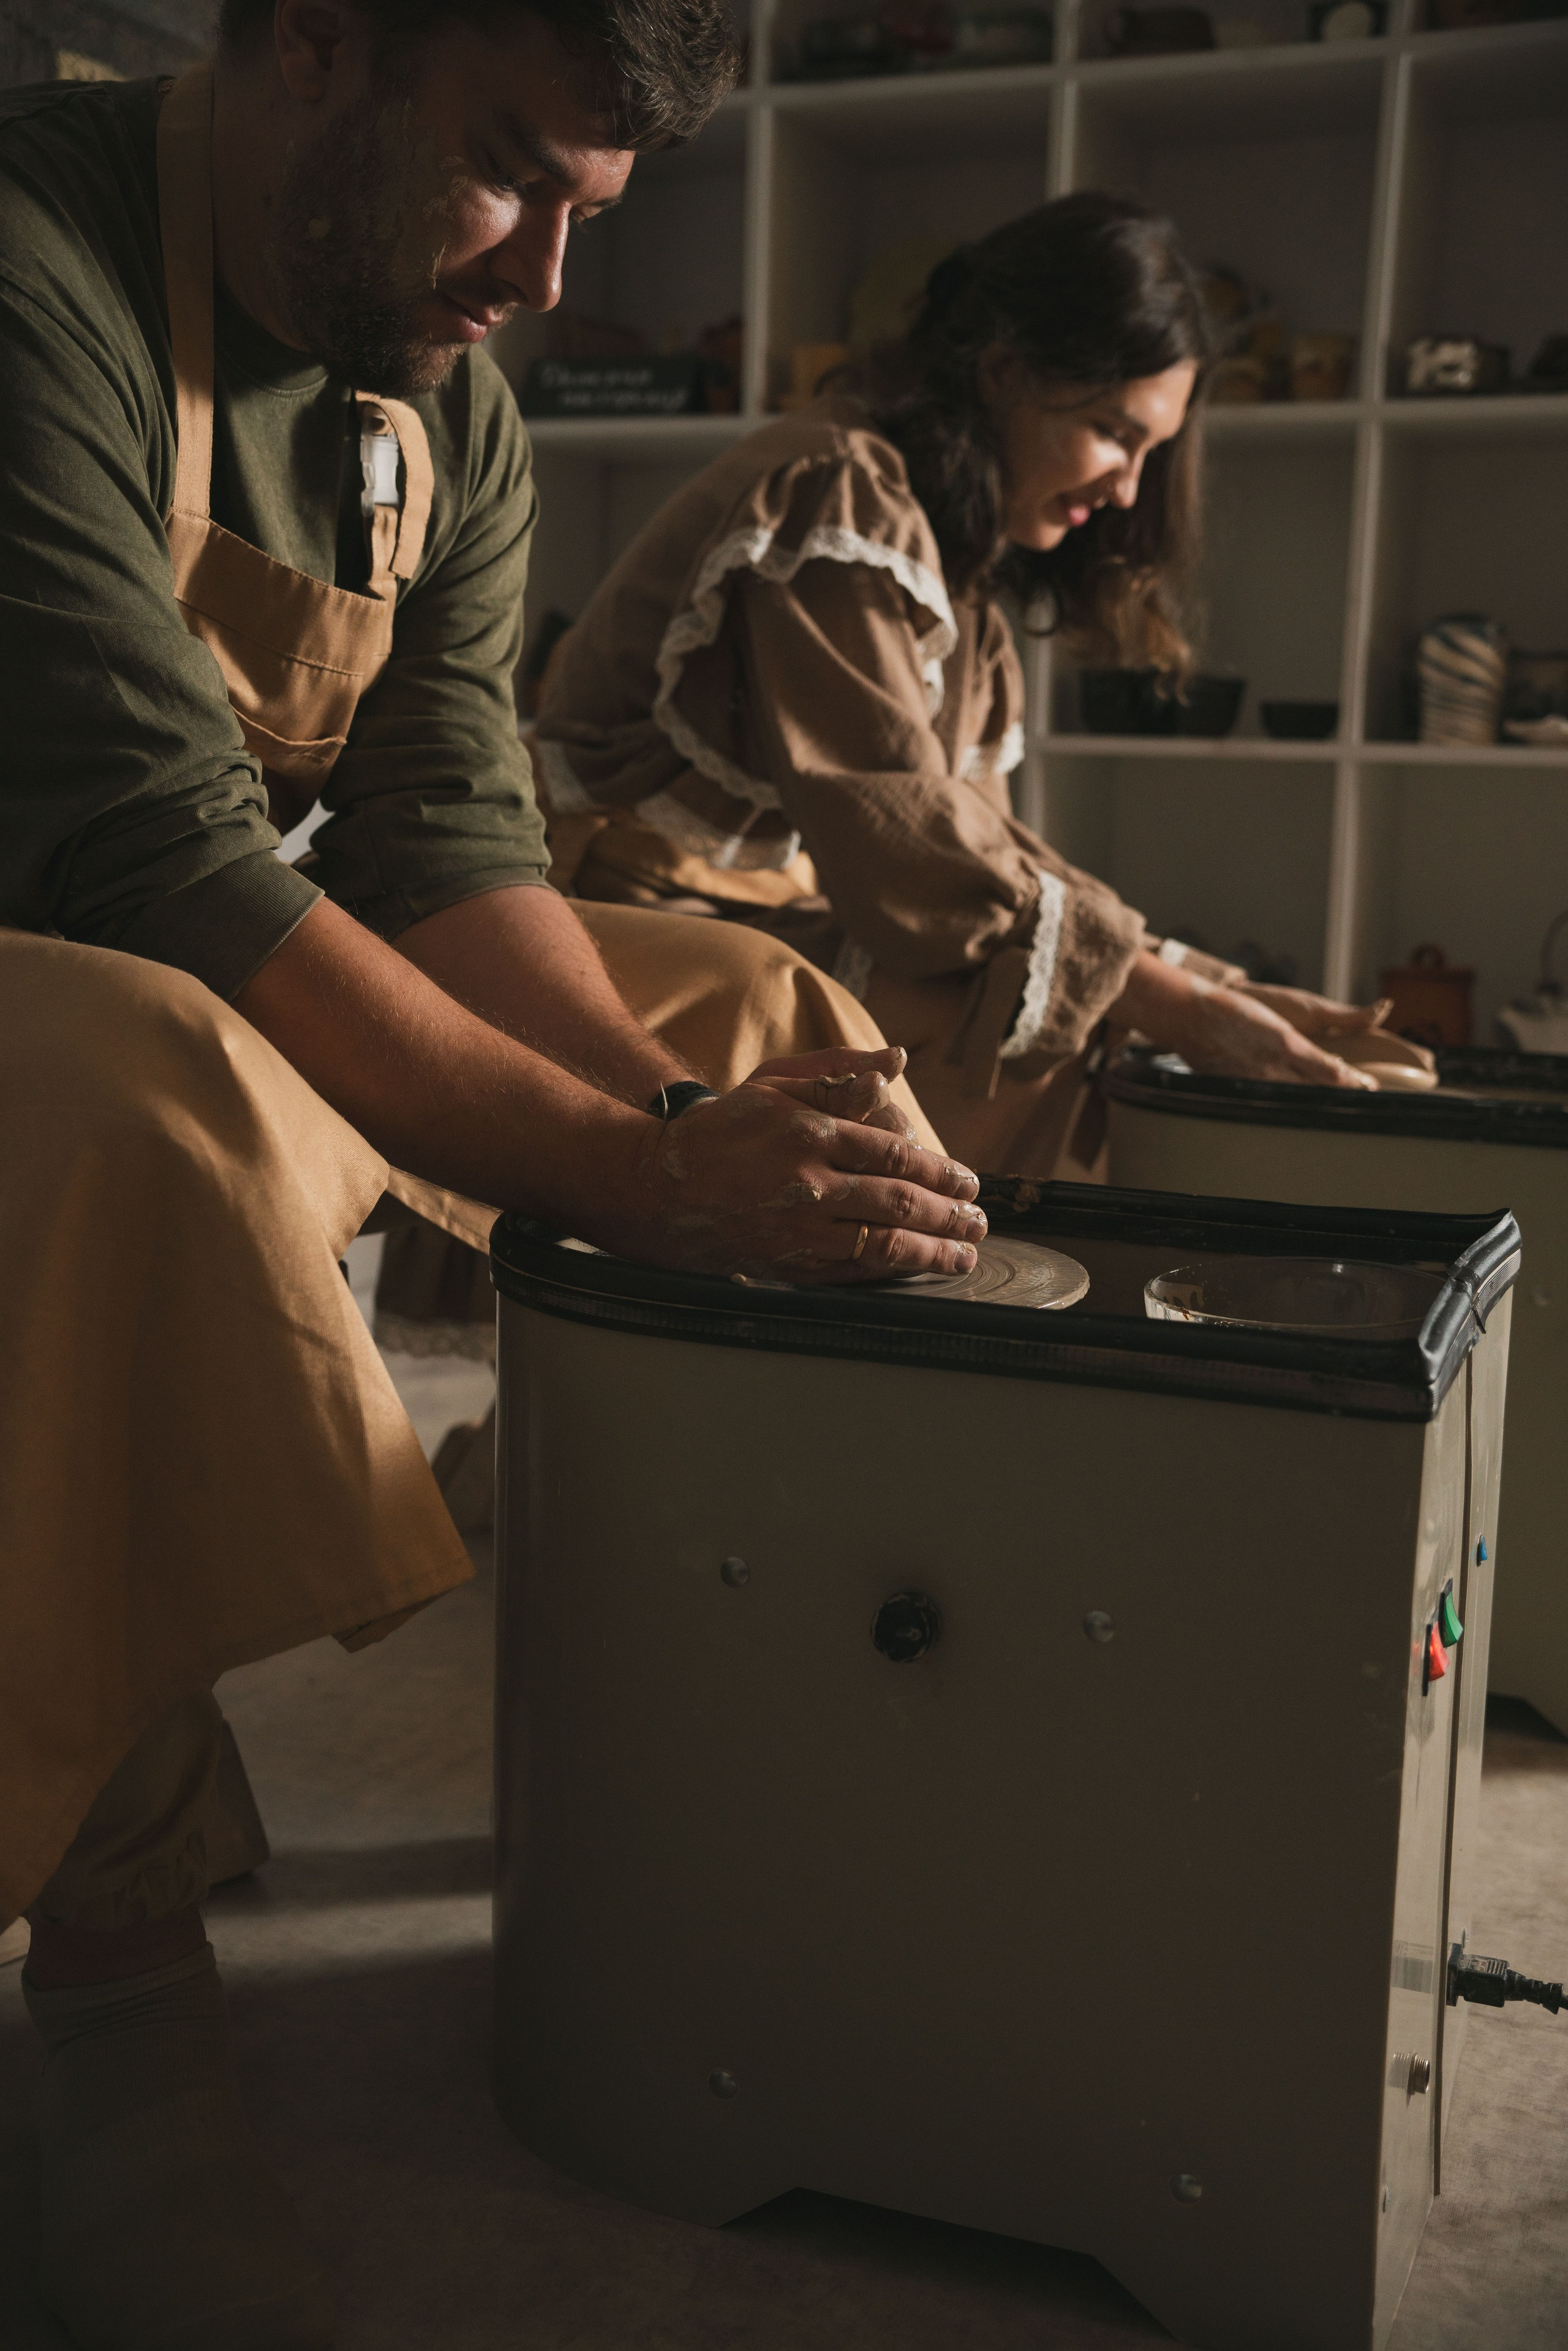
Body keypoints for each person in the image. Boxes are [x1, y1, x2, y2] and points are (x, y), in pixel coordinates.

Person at [0, 6, 991, 2344]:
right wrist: (648, 1187)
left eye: (592, 216)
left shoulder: (429, 397)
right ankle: (125, 1990)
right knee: (152, 1094)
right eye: (511, 178)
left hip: (171, 923)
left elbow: (448, 835)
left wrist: (688, 1126)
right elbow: (159, 866)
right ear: (321, 43)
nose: (548, 277)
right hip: (89, 970)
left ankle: (682, 1793)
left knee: (773, 1026)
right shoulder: (38, 264)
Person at [536, 194, 1391, 1180]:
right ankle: (902, 1304)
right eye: (1116, 432)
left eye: (1150, 453)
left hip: (741, 914)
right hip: (617, 922)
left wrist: (1192, 979)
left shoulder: (958, 565)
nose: (1127, 489)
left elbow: (982, 848)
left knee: (1071, 1003)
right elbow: (909, 860)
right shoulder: (838, 490)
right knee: (1026, 1025)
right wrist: (1167, 998)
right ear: (1005, 374)